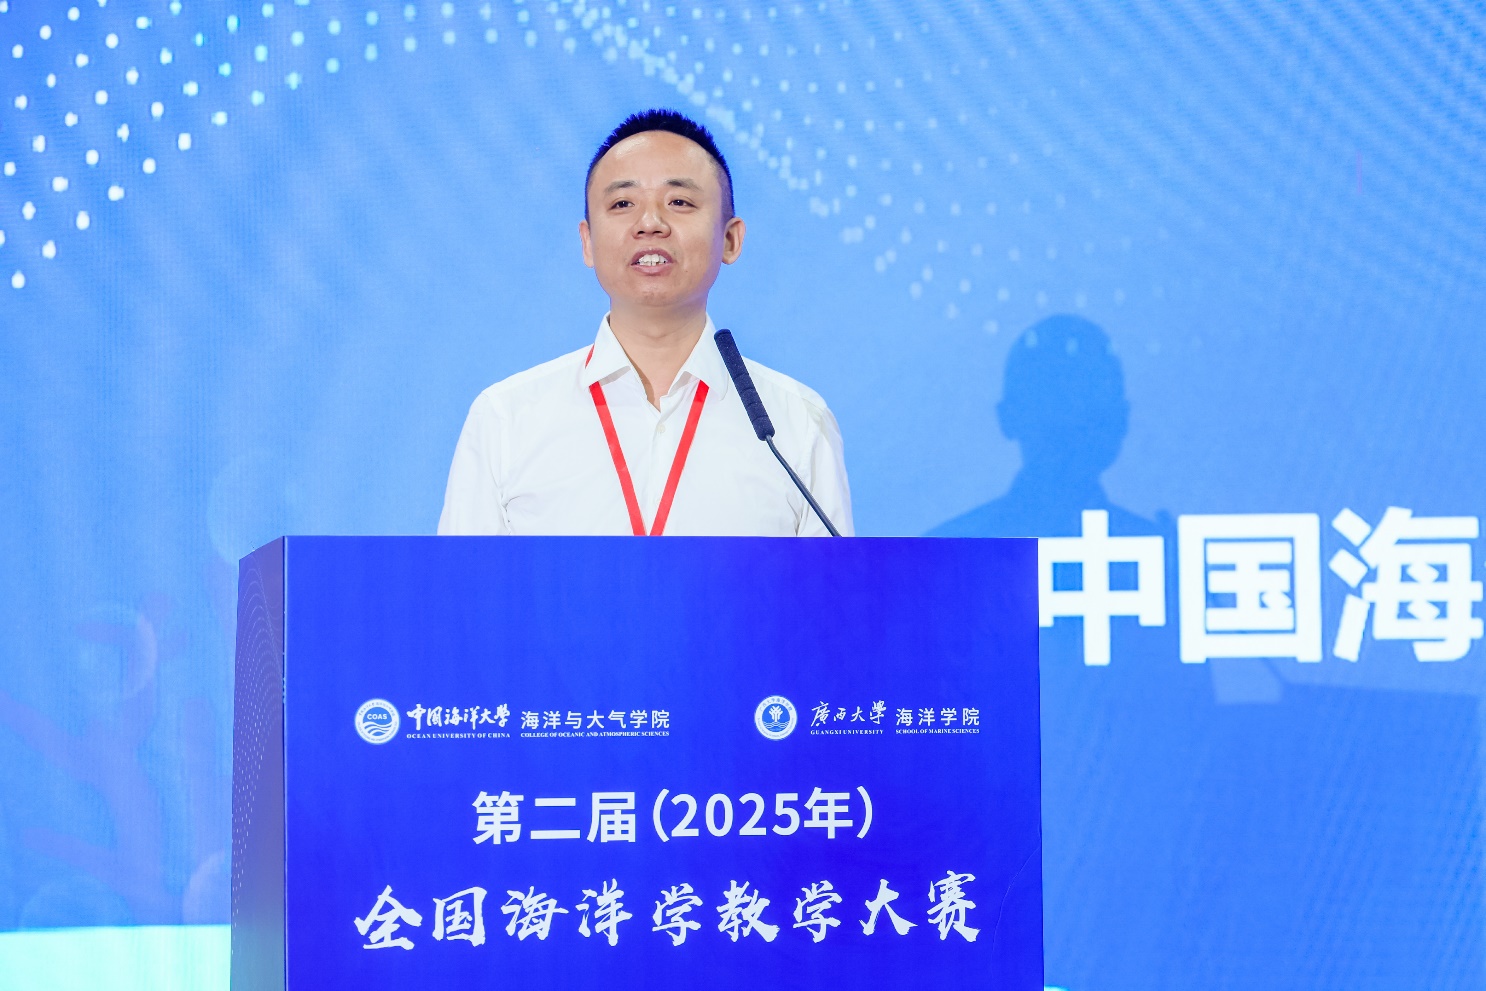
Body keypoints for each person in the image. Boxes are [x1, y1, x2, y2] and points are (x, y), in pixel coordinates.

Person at [438, 109, 852, 536]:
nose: (650, 224)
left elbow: (836, 582)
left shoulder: (797, 423)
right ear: (588, 242)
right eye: (623, 204)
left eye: (679, 202)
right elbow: (461, 581)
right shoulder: (506, 419)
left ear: (730, 239)